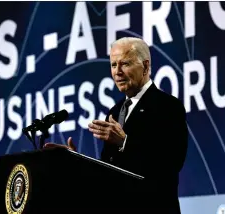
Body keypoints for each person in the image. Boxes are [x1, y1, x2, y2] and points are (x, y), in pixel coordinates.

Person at [46, 37, 188, 213]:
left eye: (125, 64)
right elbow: (108, 172)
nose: (117, 72)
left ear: (145, 66)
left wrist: (125, 142)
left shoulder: (167, 106)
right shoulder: (115, 111)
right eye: (113, 65)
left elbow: (170, 162)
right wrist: (76, 161)